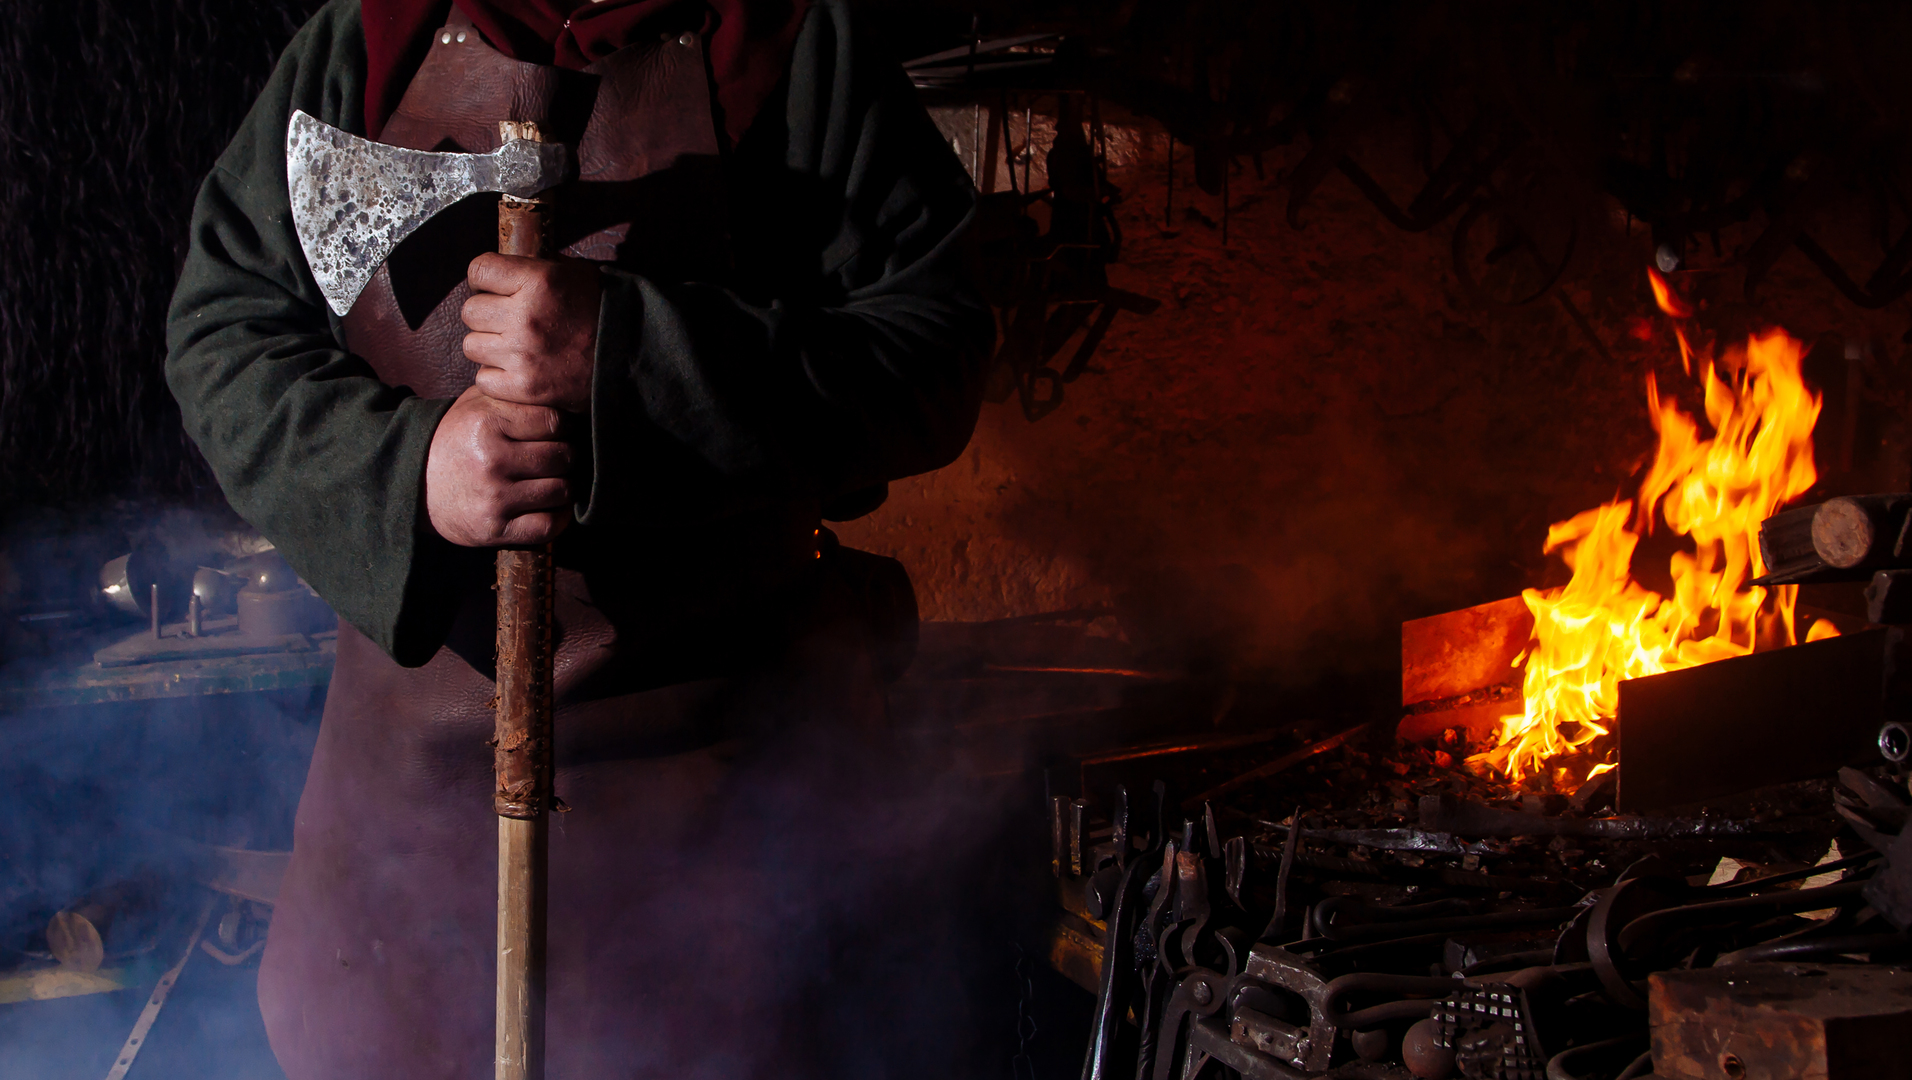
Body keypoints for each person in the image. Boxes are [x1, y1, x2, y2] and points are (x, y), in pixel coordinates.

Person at [164, 0, 992, 1075]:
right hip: (411, 847)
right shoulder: (367, 41)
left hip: (740, 836)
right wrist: (410, 471)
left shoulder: (789, 41)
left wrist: (630, 355)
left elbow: (933, 355)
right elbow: (222, 335)